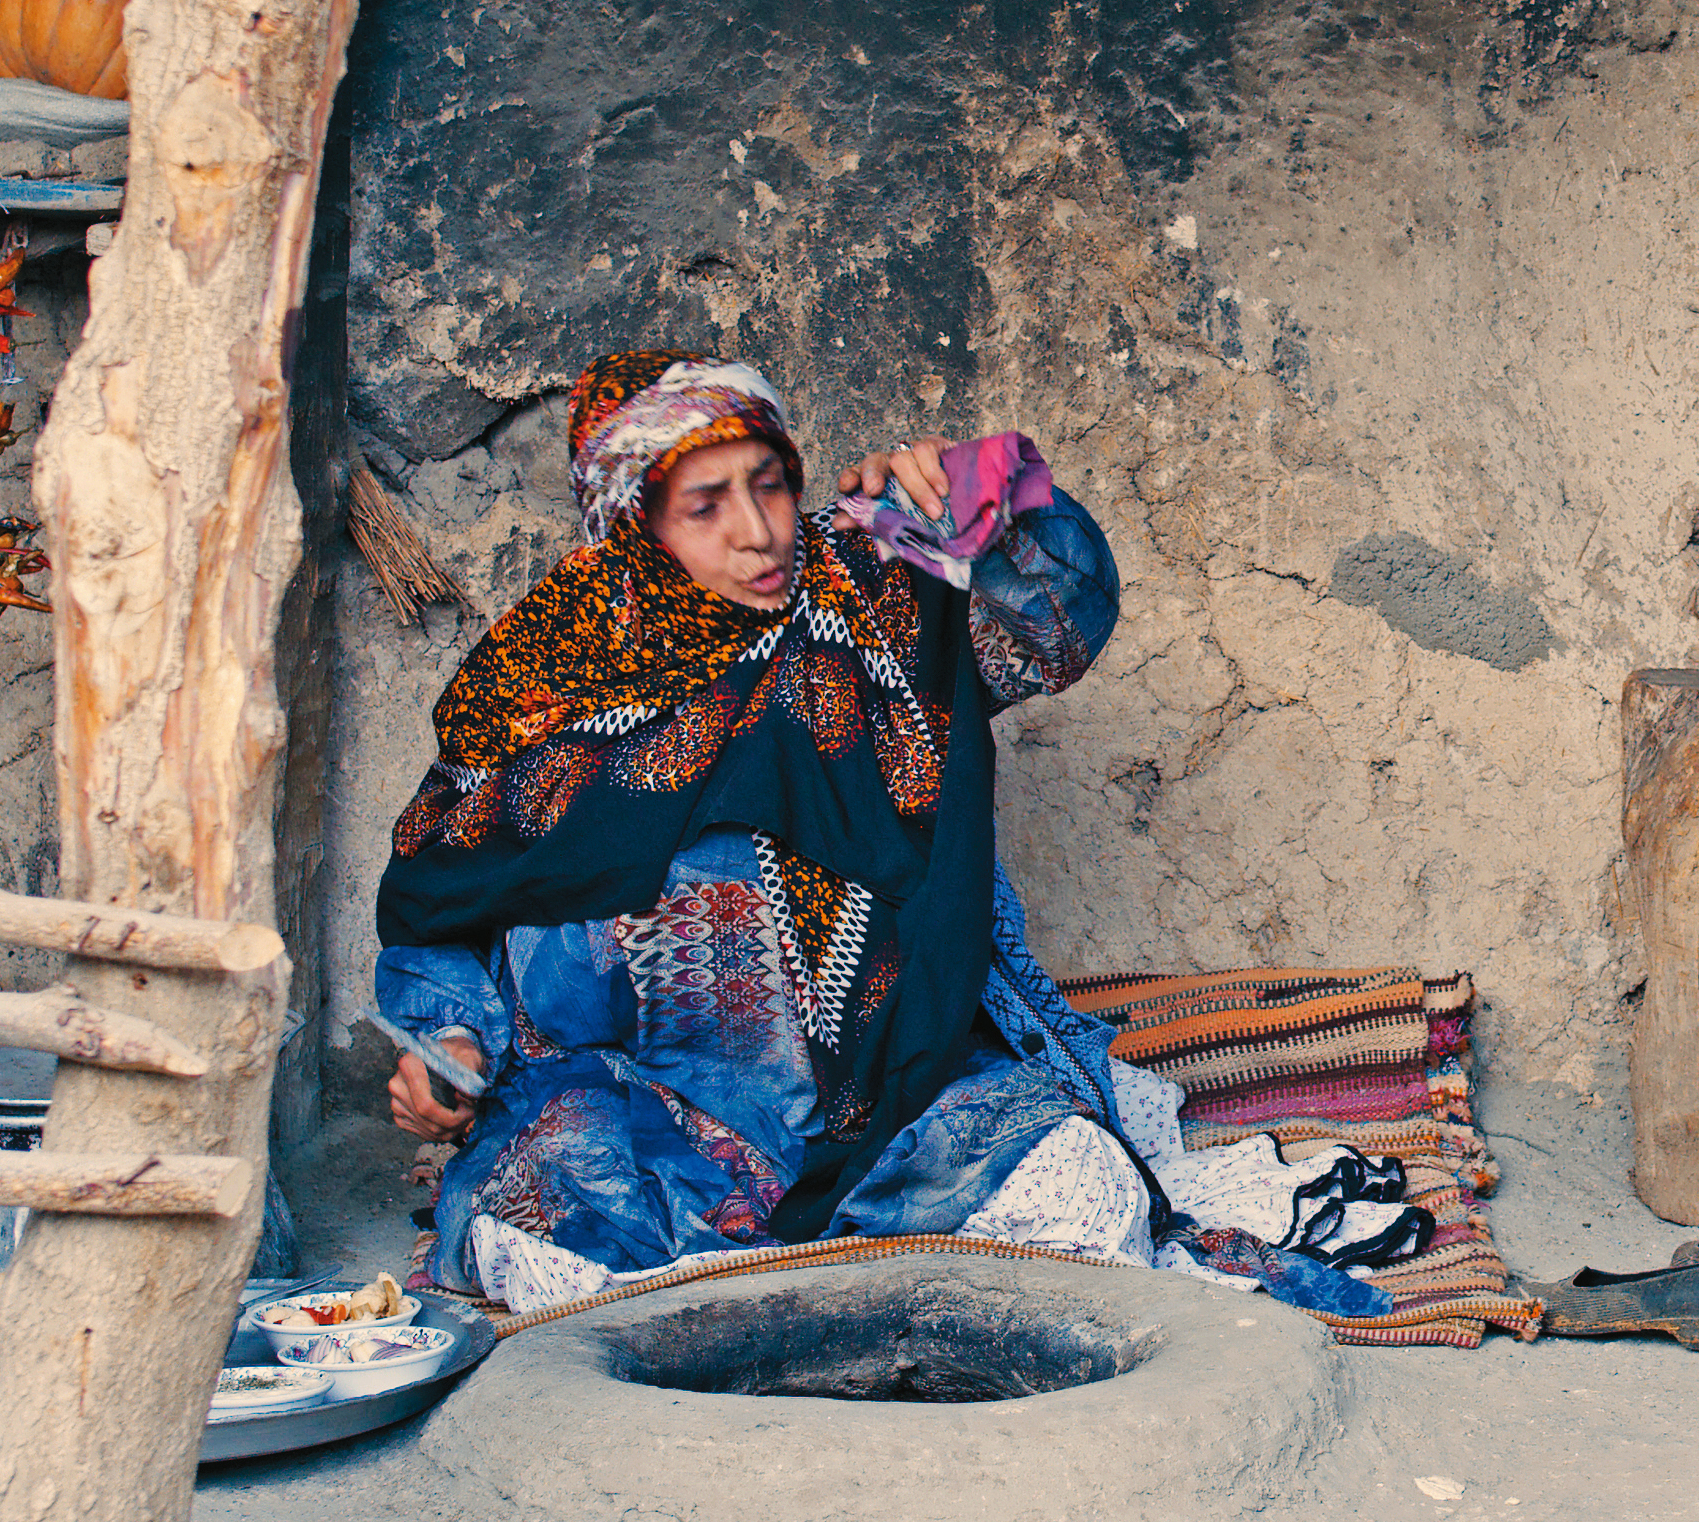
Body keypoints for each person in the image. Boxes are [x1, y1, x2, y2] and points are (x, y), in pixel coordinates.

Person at [370, 348, 1162, 1311]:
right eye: (706, 506)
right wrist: (449, 1047)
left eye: (772, 485)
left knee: (1086, 1195)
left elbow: (1059, 630)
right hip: (636, 1112)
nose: (758, 535)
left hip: (888, 1104)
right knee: (554, 1249)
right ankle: (812, 1306)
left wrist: (985, 505)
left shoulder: (873, 585)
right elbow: (447, 891)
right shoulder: (542, 666)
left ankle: (802, 1295)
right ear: (636, 523)